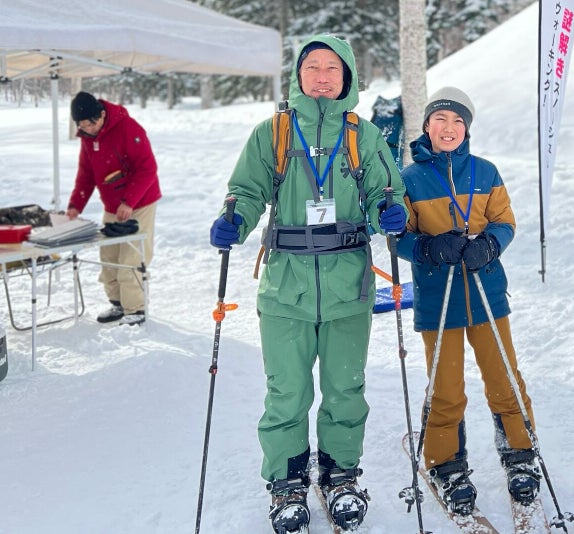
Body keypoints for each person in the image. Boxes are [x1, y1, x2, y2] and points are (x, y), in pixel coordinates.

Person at [208, 35, 407, 534]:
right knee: (287, 392)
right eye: (312, 66)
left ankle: (341, 474)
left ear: (347, 77)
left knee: (345, 389)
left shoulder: (365, 136)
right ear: (298, 76)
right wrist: (235, 218)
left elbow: (385, 193)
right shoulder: (273, 132)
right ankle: (287, 481)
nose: (321, 76)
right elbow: (246, 190)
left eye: (332, 68)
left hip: (348, 286)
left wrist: (388, 212)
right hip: (286, 287)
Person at [396, 87, 541, 515]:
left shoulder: (485, 172)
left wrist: (490, 245)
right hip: (438, 297)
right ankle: (447, 464)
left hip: (485, 292)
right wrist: (429, 247)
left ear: (467, 129)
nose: (449, 128)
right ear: (427, 126)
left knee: (505, 379)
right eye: (441, 119)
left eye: (458, 121)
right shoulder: (410, 179)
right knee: (446, 387)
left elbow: (505, 221)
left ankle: (520, 454)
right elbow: (399, 237)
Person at [67, 91, 161, 326]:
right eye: (82, 125)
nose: (87, 129)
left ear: (101, 114)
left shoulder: (128, 128)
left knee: (131, 257)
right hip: (112, 205)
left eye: (91, 124)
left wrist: (129, 201)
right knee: (109, 256)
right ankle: (118, 303)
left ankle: (136, 308)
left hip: (139, 202)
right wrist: (75, 205)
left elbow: (148, 169)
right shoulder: (88, 138)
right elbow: (86, 174)